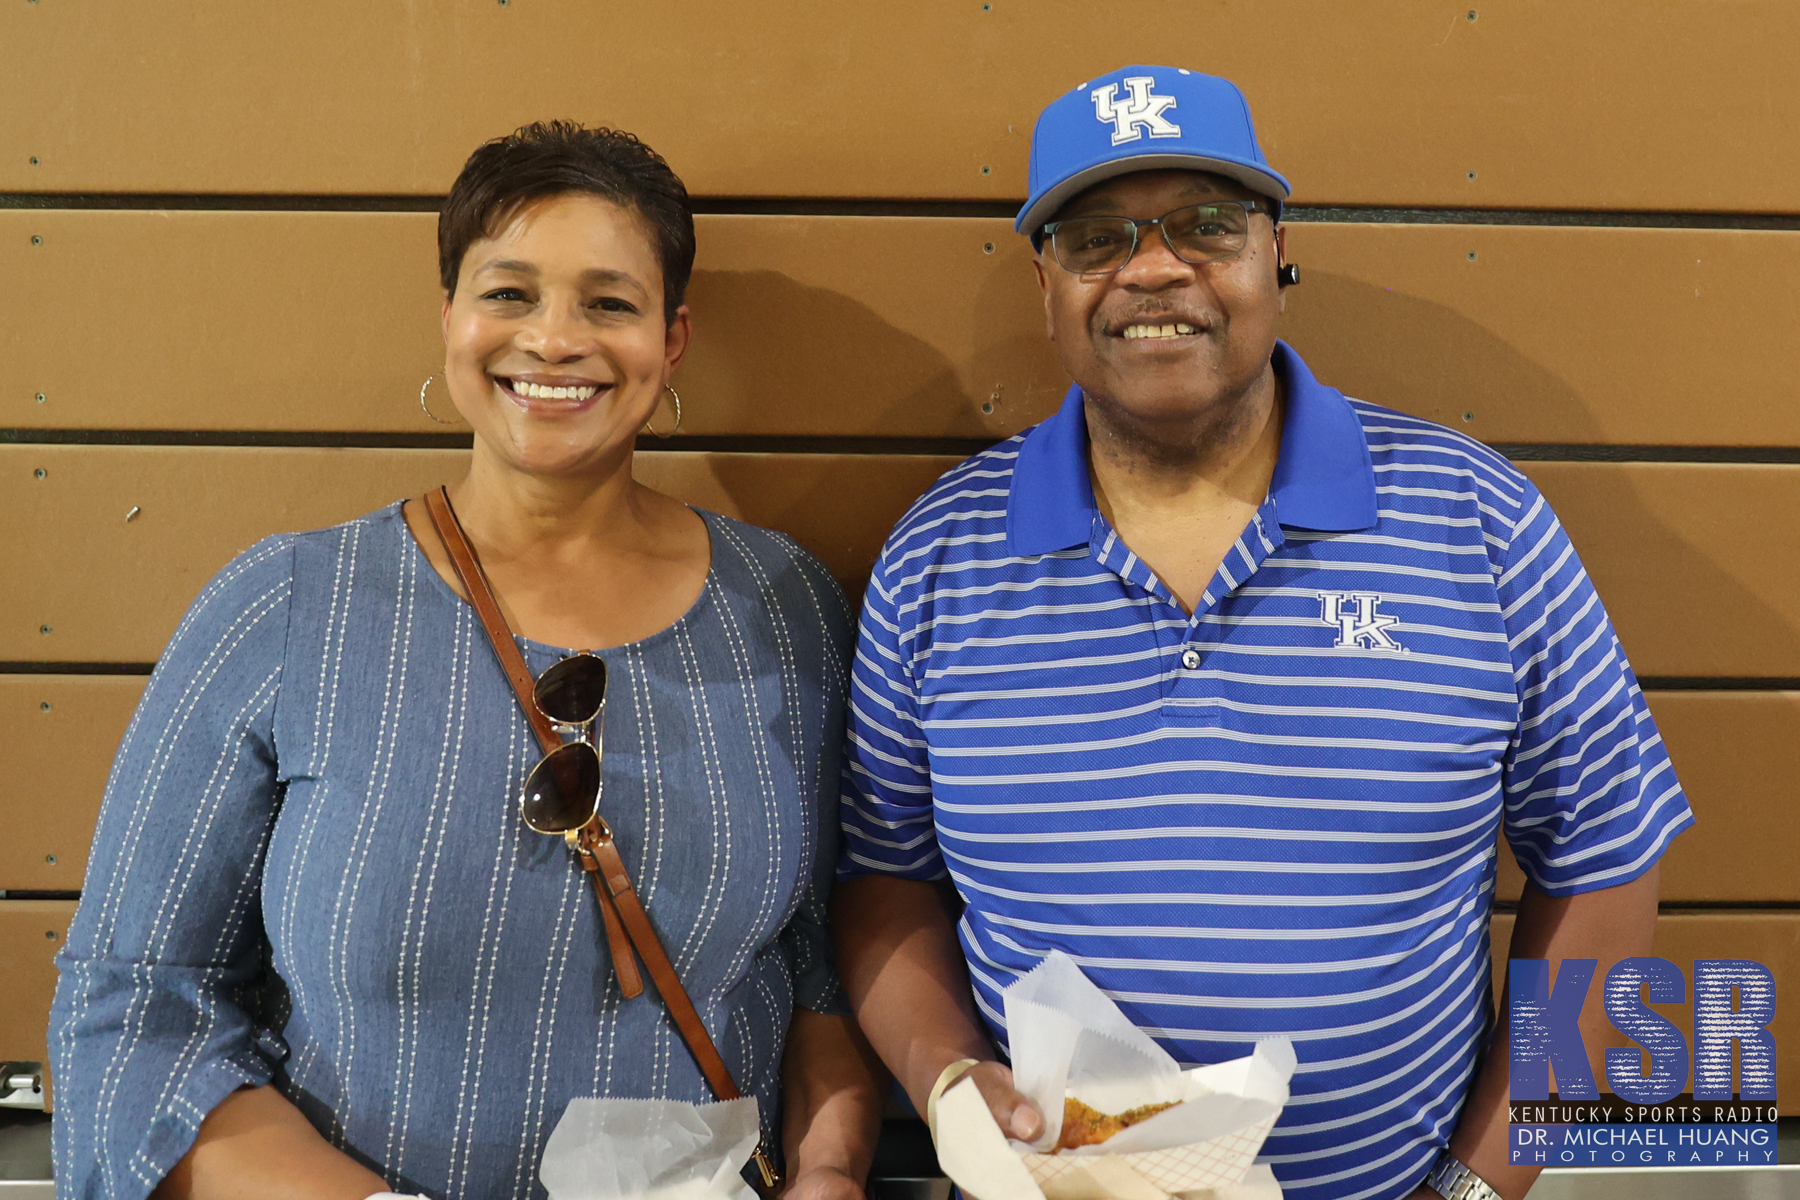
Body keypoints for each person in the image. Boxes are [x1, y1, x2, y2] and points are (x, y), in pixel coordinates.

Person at [833, 66, 1692, 1200]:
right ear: (1046, 283)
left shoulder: (1474, 520)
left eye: (1205, 226)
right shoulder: (940, 556)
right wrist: (943, 1079)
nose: (1152, 268)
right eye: (1097, 237)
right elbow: (883, 878)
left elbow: (1607, 869)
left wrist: (1482, 1190)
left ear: (1274, 253)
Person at [52, 121, 882, 1200]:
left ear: (671, 341)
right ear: (449, 319)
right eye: (510, 294)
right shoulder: (286, 607)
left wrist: (831, 1170)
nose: (553, 340)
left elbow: (821, 973)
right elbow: (135, 1004)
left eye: (609, 303)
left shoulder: (784, 608)